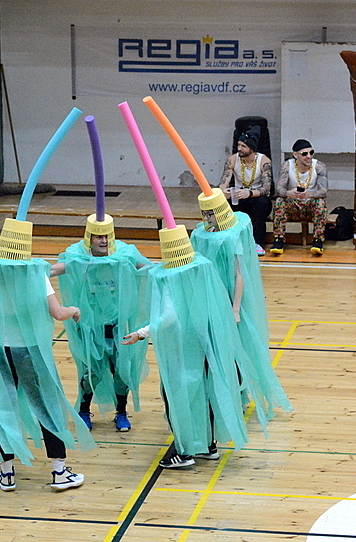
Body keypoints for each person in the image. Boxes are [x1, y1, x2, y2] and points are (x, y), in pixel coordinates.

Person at [0, 219, 94, 492]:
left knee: (1, 410)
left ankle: (6, 474)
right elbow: (58, 313)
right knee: (46, 407)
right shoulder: (36, 276)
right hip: (28, 351)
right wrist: (74, 310)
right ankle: (59, 471)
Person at [121, 234, 252, 470]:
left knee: (177, 399)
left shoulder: (169, 279)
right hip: (204, 346)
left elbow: (169, 317)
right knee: (203, 395)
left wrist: (141, 333)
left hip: (180, 351)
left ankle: (184, 452)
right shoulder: (200, 269)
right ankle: (208, 446)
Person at [191, 196, 292, 430]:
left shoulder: (232, 236)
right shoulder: (201, 235)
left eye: (211, 214)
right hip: (210, 299)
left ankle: (237, 394)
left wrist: (235, 308)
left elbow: (239, 276)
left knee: (235, 349)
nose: (207, 218)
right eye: (205, 214)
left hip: (229, 300)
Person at [53, 217, 150, 432]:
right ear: (89, 238)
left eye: (107, 236)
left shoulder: (124, 256)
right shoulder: (78, 258)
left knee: (121, 371)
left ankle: (121, 412)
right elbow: (53, 270)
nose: (104, 241)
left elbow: (150, 270)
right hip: (89, 328)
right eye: (98, 236)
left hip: (116, 327)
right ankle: (84, 411)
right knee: (91, 372)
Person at [270, 139, 329, 255]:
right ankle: (278, 240)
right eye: (304, 154)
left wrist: (309, 194)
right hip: (293, 204)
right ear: (295, 155)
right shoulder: (287, 166)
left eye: (311, 153)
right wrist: (289, 193)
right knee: (280, 202)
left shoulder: (319, 166)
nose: (309, 156)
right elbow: (279, 189)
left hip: (309, 204)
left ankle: (318, 240)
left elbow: (324, 191)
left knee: (320, 203)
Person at [218, 130, 273, 256]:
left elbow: (266, 189)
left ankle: (257, 242)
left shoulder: (264, 161)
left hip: (255, 196)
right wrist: (224, 191)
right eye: (238, 145)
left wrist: (248, 193)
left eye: (243, 146)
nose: (239, 149)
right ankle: (229, 241)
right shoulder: (232, 159)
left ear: (252, 148)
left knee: (261, 204)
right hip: (238, 196)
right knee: (224, 203)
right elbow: (223, 183)